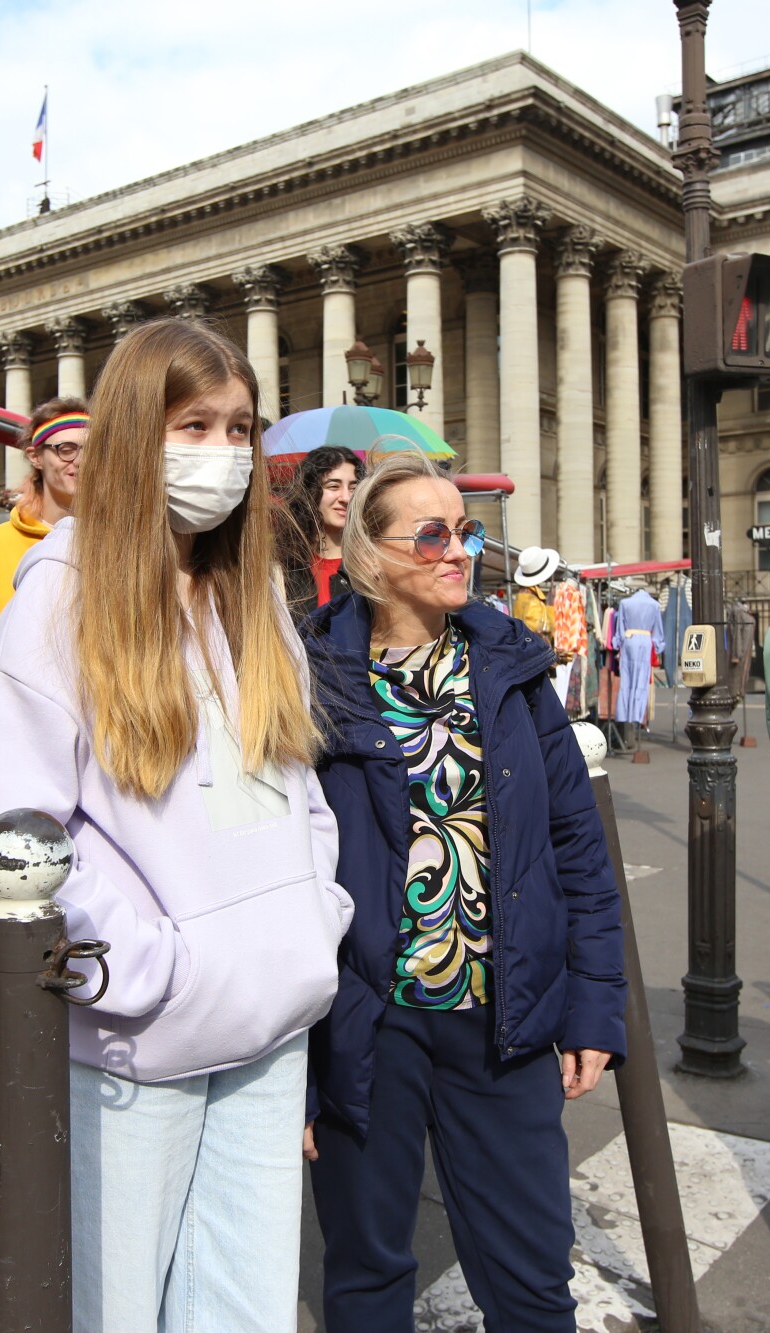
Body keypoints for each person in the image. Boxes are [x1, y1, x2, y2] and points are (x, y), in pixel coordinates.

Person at [0, 318, 352, 1331]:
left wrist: (315, 913)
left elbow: (295, 778)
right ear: (137, 433)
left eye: (239, 429)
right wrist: (146, 969)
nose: (222, 453)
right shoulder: (57, 597)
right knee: (115, 1307)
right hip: (143, 1034)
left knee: (246, 1307)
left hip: (271, 1010)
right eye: (194, 424)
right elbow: (11, 834)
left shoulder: (248, 588)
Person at [299, 450, 627, 1331]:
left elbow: (578, 852)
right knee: (367, 1271)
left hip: (504, 1017)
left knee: (531, 1275)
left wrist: (594, 1006)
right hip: (366, 1026)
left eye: (467, 530)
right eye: (433, 533)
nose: (460, 551)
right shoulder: (309, 678)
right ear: (370, 553)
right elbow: (278, 875)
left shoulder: (512, 671)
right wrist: (292, 1072)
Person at [0, 397, 87, 714]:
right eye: (66, 449)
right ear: (35, 457)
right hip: (22, 728)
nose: (80, 461)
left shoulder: (116, 539)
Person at [280, 444, 364, 619]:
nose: (346, 498)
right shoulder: (283, 567)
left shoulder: (370, 565)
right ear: (310, 492)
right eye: (333, 487)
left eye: (353, 488)